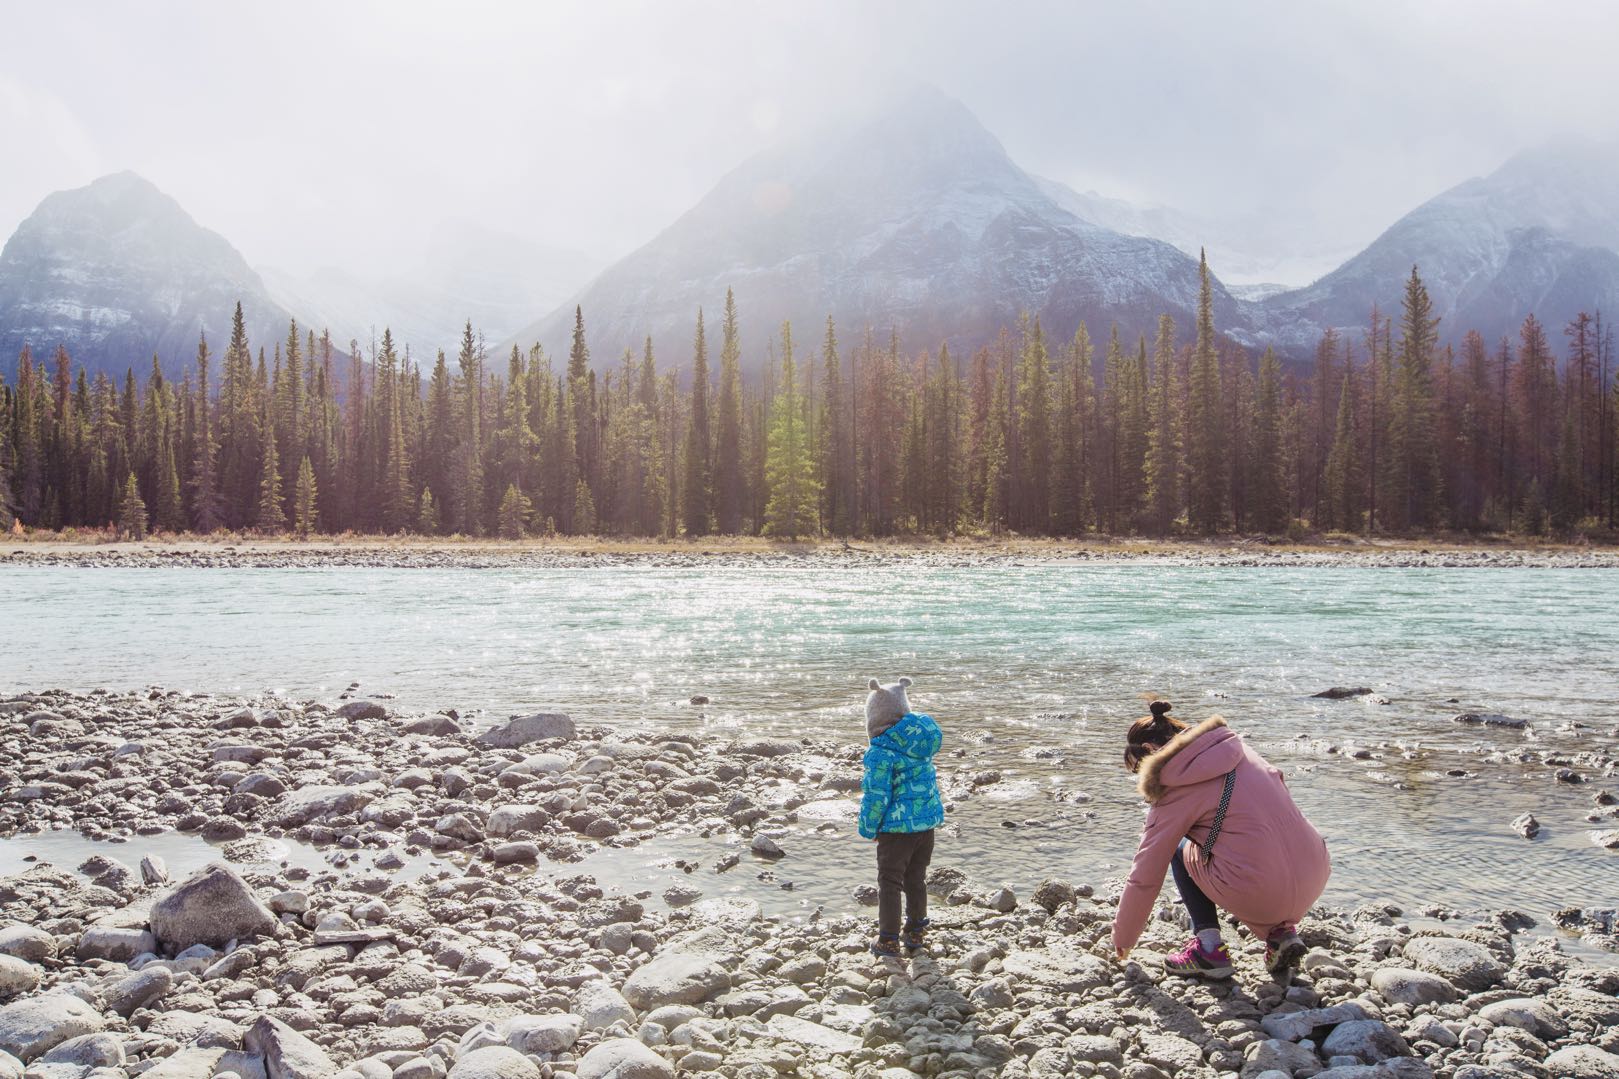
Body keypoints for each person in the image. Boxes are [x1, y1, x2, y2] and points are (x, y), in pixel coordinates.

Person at [1112, 700, 1330, 980]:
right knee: (1256, 841)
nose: (1140, 779)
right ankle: (1281, 934)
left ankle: (1209, 950)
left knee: (1179, 849)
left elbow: (1146, 873)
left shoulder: (1174, 788)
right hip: (1315, 870)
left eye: (1137, 770)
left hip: (1262, 888)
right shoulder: (1239, 750)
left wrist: (1124, 935)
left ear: (1150, 752)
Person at [857, 676, 944, 958]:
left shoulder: (881, 752)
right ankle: (916, 931)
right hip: (925, 826)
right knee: (916, 878)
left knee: (890, 882)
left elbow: (876, 795)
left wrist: (868, 827)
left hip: (896, 830)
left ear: (875, 719)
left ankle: (888, 939)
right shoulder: (921, 744)